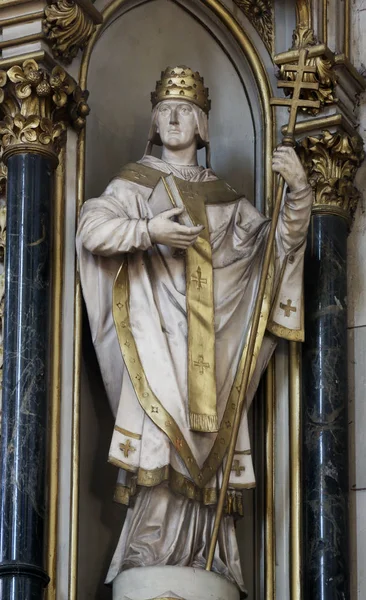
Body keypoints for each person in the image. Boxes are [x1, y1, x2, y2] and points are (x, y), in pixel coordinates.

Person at [76, 66, 312, 594]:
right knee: (162, 445)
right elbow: (92, 228)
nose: (175, 118)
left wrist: (297, 194)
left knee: (210, 445)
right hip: (157, 346)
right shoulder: (134, 184)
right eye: (165, 110)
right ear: (155, 122)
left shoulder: (228, 199)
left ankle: (211, 555)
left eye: (186, 110)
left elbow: (276, 252)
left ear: (204, 125)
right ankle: (150, 549)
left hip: (216, 352)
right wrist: (147, 231)